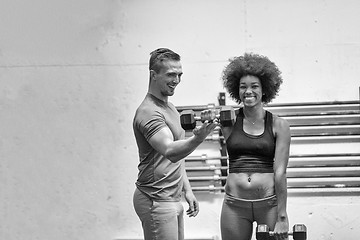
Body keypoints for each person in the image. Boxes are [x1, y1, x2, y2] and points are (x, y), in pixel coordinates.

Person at [132, 48, 218, 240]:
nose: (177, 80)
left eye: (179, 75)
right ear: (153, 75)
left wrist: (187, 190)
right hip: (156, 199)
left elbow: (177, 158)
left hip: (171, 197)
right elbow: (170, 151)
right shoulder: (149, 112)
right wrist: (198, 138)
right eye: (171, 74)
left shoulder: (169, 107)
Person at [219, 53, 290, 240]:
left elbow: (280, 173)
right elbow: (199, 134)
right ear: (237, 90)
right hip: (234, 205)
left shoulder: (279, 125)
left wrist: (282, 216)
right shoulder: (228, 121)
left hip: (268, 205)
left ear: (265, 89)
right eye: (243, 87)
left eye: (254, 86)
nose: (248, 91)